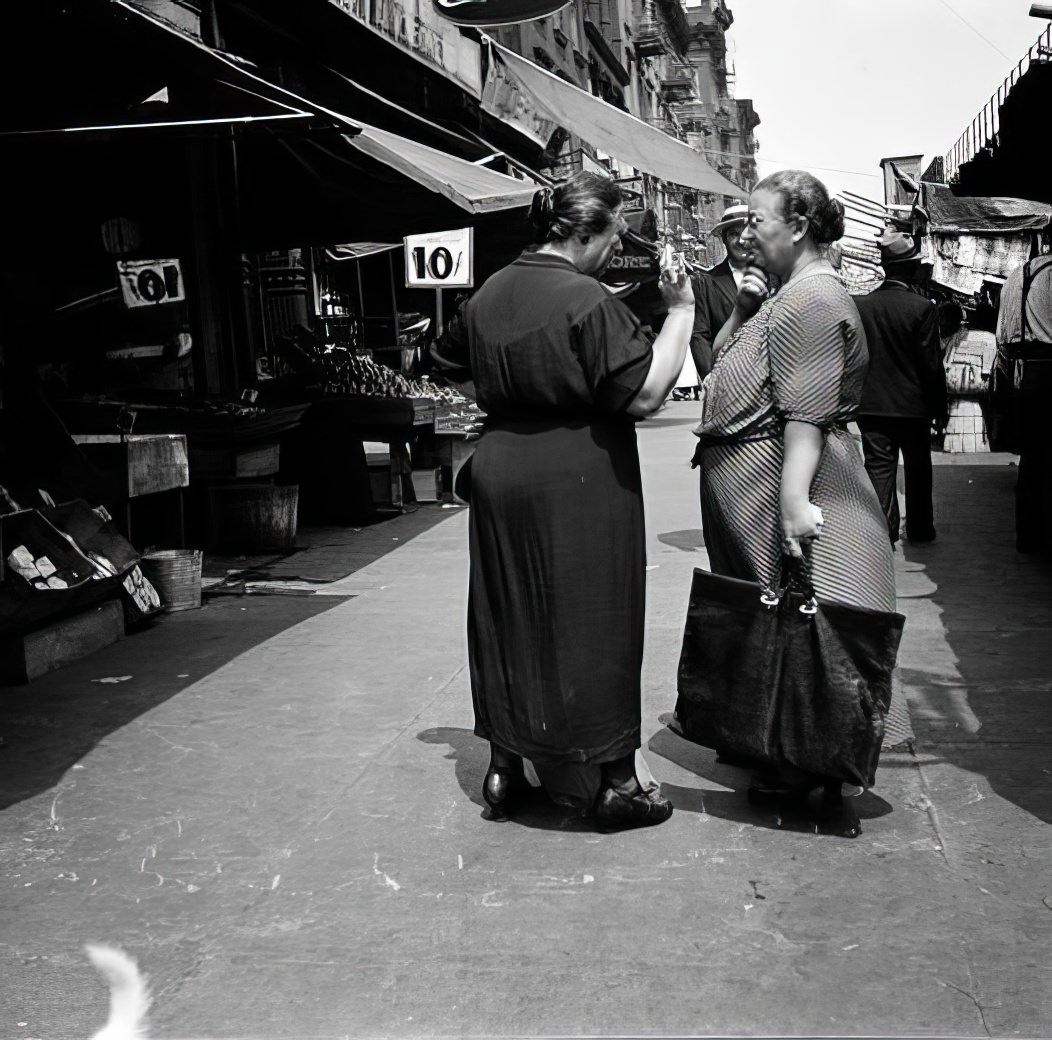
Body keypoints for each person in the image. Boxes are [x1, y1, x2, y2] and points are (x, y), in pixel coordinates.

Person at [432, 171, 695, 831]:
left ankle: (504, 767)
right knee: (595, 618)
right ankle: (614, 782)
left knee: (507, 613)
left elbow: (443, 362)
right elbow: (642, 394)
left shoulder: (490, 291)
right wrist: (683, 313)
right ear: (583, 231)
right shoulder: (586, 300)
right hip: (580, 470)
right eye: (612, 234)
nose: (616, 247)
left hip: (502, 468)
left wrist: (502, 396)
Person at [691, 170, 898, 838]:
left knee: (811, 622)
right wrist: (744, 312)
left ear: (800, 227)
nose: (745, 232)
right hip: (755, 489)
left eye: (757, 220)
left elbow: (805, 416)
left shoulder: (812, 299)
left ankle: (811, 759)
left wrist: (792, 503)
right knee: (785, 622)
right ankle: (793, 750)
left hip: (790, 484)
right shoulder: (783, 295)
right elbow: (724, 365)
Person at [853, 231, 948, 545]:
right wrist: (939, 409)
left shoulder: (862, 306)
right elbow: (931, 365)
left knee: (879, 470)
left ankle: (883, 532)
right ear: (912, 268)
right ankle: (921, 529)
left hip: (872, 405)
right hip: (912, 407)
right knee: (919, 469)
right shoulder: (922, 308)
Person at [995, 251, 1052, 555]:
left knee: (1032, 459)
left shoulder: (1020, 274)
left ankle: (1028, 537)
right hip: (1045, 367)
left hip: (1029, 373)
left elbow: (1003, 334)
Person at [689, 202, 751, 383]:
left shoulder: (776, 278)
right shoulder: (706, 283)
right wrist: (709, 377)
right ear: (723, 239)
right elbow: (699, 335)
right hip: (728, 381)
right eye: (734, 234)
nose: (742, 241)